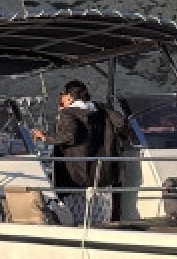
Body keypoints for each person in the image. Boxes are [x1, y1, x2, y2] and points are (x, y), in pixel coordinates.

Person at [31, 80, 127, 224]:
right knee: (100, 218)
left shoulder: (68, 113)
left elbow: (69, 136)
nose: (61, 98)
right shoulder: (102, 109)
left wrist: (45, 137)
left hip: (76, 175)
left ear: (69, 97)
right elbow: (122, 123)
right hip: (102, 174)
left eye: (62, 94)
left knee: (75, 219)